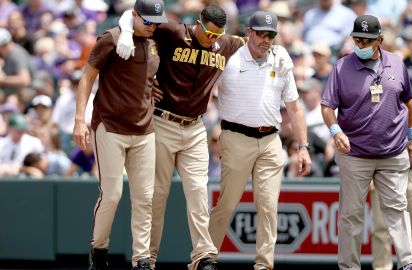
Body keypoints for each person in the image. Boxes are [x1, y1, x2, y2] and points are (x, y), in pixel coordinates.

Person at [116, 4, 292, 270]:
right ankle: (148, 258)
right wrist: (130, 41)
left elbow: (261, 43)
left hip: (196, 127)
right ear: (198, 23)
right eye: (208, 33)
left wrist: (279, 52)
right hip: (164, 121)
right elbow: (134, 16)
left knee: (199, 192)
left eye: (217, 35)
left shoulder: (227, 43)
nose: (212, 40)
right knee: (158, 195)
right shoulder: (174, 31)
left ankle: (204, 256)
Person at [320, 15, 412, 270]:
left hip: (392, 151)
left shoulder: (397, 63)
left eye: (367, 39)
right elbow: (327, 107)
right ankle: (349, 267)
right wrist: (336, 131)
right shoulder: (342, 67)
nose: (361, 43)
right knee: (351, 215)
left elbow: (409, 102)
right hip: (354, 153)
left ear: (380, 40)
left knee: (398, 208)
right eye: (357, 38)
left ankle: (408, 262)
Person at [208, 11, 312, 270]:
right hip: (235, 136)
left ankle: (264, 265)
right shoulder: (229, 55)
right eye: (262, 33)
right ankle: (205, 258)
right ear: (249, 33)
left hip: (270, 139)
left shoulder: (281, 59)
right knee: (227, 204)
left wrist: (303, 147)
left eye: (271, 35)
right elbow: (203, 87)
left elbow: (295, 107)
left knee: (268, 206)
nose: (266, 39)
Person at [72, 0, 166, 269]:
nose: (152, 26)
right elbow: (87, 78)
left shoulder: (156, 40)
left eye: (156, 22)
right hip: (111, 125)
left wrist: (153, 88)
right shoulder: (112, 38)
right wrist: (80, 120)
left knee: (145, 198)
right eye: (147, 21)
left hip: (145, 128)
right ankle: (99, 250)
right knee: (111, 195)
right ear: (134, 15)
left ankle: (141, 260)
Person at [370, 100, 412, 270]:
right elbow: (368, 138)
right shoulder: (377, 104)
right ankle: (381, 267)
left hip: (410, 172)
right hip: (383, 171)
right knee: (381, 226)